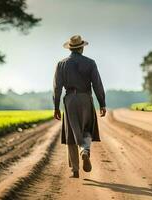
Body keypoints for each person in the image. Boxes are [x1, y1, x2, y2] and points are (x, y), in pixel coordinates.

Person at [53, 35, 106, 178]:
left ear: (70, 48)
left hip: (69, 100)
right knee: (87, 129)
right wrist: (102, 103)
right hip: (85, 99)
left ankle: (75, 170)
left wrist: (56, 107)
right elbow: (97, 85)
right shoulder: (90, 63)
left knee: (71, 133)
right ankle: (85, 151)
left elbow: (57, 88)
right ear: (82, 48)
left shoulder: (61, 64)